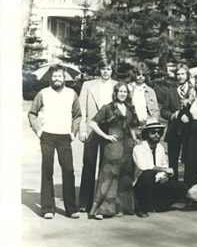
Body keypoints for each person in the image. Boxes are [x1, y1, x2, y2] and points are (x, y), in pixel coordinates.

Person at [28, 66, 81, 219]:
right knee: (47, 171)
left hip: (65, 137)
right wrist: (39, 131)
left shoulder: (72, 94)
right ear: (50, 78)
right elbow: (32, 114)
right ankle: (47, 209)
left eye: (60, 76)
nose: (57, 79)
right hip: (47, 137)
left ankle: (71, 209)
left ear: (64, 77)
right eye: (54, 76)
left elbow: (77, 115)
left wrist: (73, 132)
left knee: (69, 171)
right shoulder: (43, 93)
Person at [88, 83, 140, 220]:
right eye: (120, 91)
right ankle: (100, 210)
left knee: (124, 177)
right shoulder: (108, 108)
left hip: (128, 147)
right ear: (115, 93)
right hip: (113, 147)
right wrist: (105, 136)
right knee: (108, 177)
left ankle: (120, 208)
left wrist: (135, 141)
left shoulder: (130, 109)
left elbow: (133, 128)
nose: (122, 94)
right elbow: (92, 123)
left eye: (125, 91)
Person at [77, 59, 117, 212]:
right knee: (89, 163)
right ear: (99, 70)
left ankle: (100, 202)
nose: (106, 72)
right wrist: (82, 130)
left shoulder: (116, 86)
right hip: (92, 127)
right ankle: (84, 202)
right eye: (103, 69)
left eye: (108, 69)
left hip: (110, 129)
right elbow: (81, 109)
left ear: (112, 71)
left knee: (105, 166)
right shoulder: (88, 85)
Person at [132, 121, 187, 217]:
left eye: (159, 132)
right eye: (153, 132)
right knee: (148, 174)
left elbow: (164, 165)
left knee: (182, 188)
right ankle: (141, 208)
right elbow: (144, 167)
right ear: (146, 133)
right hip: (141, 184)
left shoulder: (160, 148)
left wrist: (164, 176)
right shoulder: (139, 148)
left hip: (156, 182)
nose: (156, 135)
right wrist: (164, 170)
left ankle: (157, 206)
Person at [159, 63, 194, 178]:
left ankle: (188, 184)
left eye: (183, 74)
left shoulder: (194, 90)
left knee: (188, 159)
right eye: (178, 74)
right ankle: (173, 184)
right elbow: (163, 111)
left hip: (189, 130)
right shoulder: (171, 92)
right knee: (173, 159)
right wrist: (173, 115)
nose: (180, 76)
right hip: (174, 130)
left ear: (187, 75)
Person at [127, 62, 160, 139]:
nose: (140, 77)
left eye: (143, 75)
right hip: (131, 126)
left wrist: (151, 124)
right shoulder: (128, 88)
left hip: (145, 124)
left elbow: (155, 110)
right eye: (138, 74)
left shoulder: (150, 91)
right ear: (134, 74)